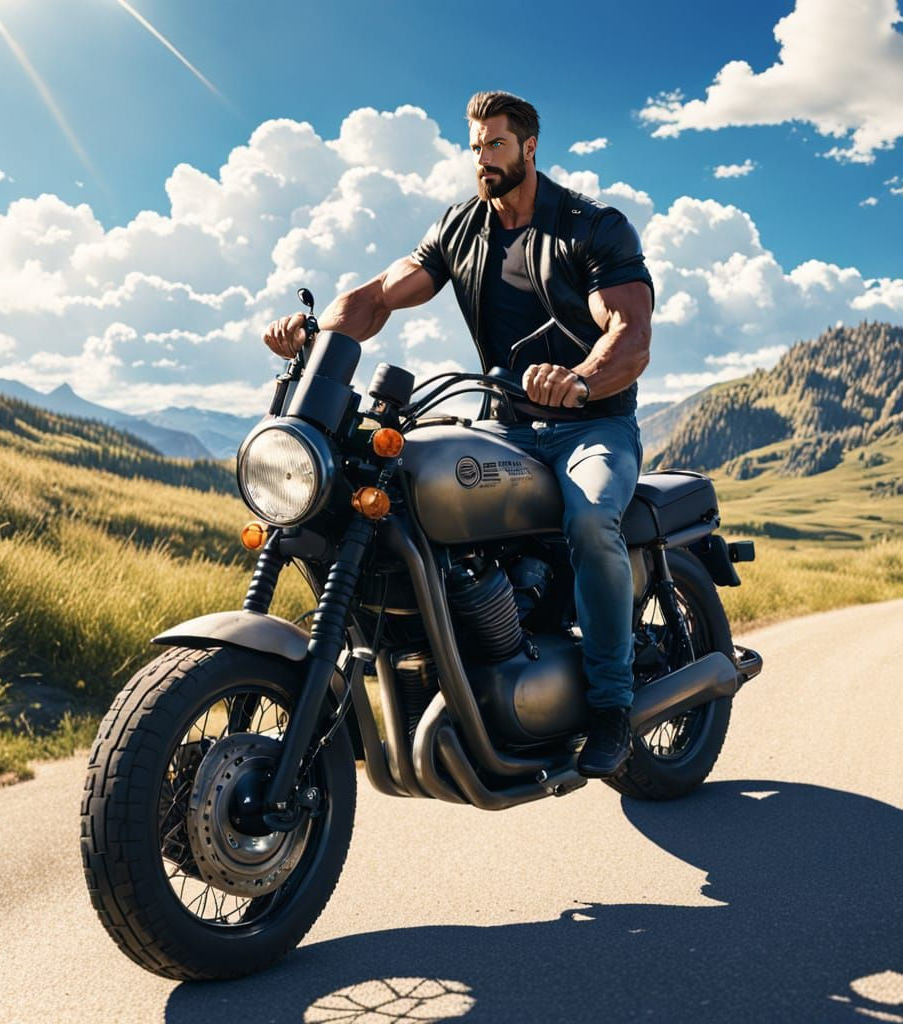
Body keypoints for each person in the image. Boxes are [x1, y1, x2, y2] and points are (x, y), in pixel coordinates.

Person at [263, 91, 654, 777]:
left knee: (592, 519)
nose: (482, 159)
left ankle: (612, 705)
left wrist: (582, 378)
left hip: (589, 425)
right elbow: (381, 295)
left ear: (530, 147)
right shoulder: (461, 228)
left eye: (495, 145)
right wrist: (317, 334)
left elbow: (627, 331)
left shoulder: (590, 229)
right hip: (504, 425)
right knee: (405, 492)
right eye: (475, 147)